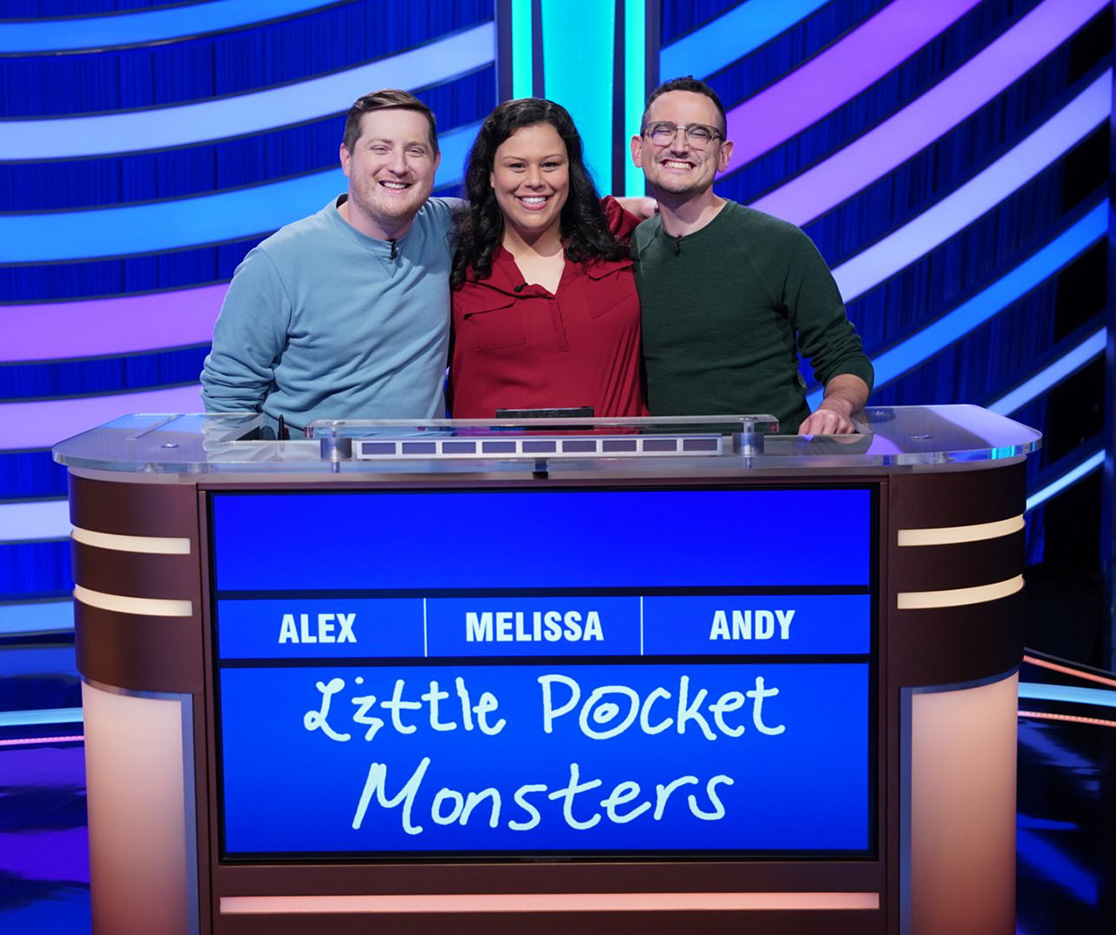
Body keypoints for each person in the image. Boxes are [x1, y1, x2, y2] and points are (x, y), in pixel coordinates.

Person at [201, 89, 462, 434]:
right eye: (380, 148)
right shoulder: (278, 261)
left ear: (435, 163)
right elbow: (228, 399)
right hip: (313, 480)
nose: (398, 166)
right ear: (347, 159)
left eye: (415, 151)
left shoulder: (451, 228)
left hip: (425, 478)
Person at [629, 77, 873, 435]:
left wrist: (836, 407)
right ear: (639, 149)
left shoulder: (779, 243)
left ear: (724, 154)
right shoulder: (627, 249)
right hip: (661, 473)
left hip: (762, 469)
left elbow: (843, 356)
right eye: (663, 131)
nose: (679, 146)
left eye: (699, 134)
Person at [449, 98, 646, 418]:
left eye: (550, 164)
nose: (535, 180)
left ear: (571, 170)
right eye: (516, 166)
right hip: (493, 467)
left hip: (618, 466)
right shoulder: (454, 263)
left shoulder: (614, 233)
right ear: (490, 175)